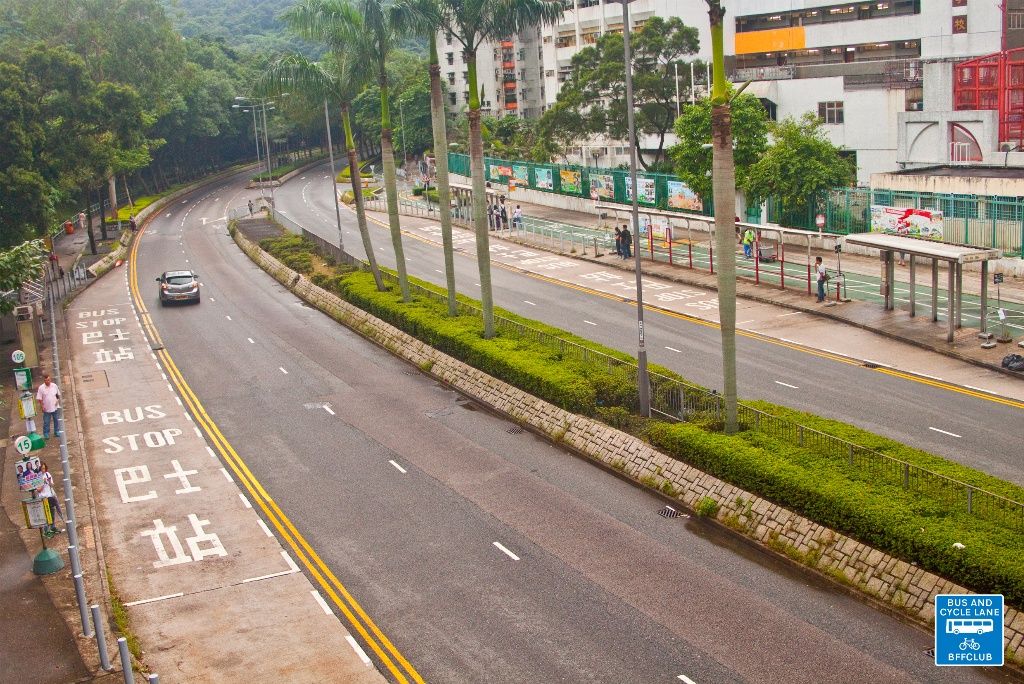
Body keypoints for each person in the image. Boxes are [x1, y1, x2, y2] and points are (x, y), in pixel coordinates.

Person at [37, 463, 63, 534]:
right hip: (43, 497)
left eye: (44, 468)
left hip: (50, 496)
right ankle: (46, 530)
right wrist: (43, 482)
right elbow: (38, 490)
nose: (43, 470)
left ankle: (52, 527)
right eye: (42, 468)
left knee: (52, 511)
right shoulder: (37, 477)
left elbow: (52, 485)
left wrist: (48, 481)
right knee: (46, 513)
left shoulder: (47, 474)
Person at [36, 373, 61, 440]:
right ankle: (46, 433)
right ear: (44, 381)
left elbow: (57, 394)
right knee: (46, 421)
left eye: (48, 380)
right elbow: (39, 398)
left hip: (55, 407)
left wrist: (57, 400)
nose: (47, 381)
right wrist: (42, 406)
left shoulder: (54, 386)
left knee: (56, 420)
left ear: (50, 380)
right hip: (46, 408)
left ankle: (56, 431)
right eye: (46, 380)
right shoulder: (41, 388)